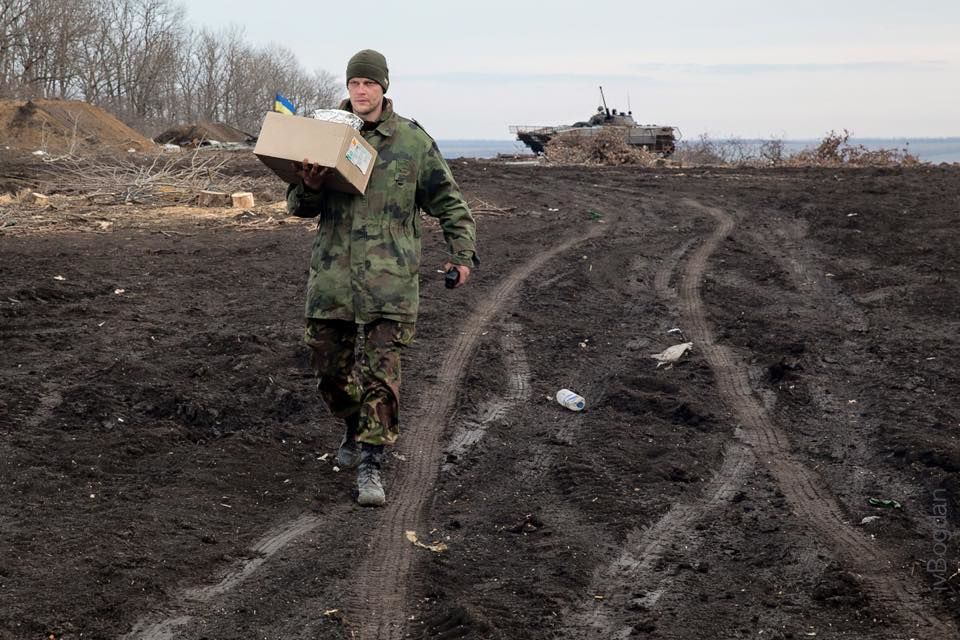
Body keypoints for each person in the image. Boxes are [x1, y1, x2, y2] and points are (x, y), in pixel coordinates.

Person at [286, 49, 478, 507]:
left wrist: (462, 253)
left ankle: (372, 461)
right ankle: (356, 426)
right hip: (333, 275)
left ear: (383, 87)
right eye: (355, 83)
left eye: (369, 83)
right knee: (327, 365)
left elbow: (448, 200)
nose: (361, 91)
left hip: (390, 278)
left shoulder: (411, 141)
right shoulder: (327, 136)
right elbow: (297, 207)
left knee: (382, 375)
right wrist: (309, 186)